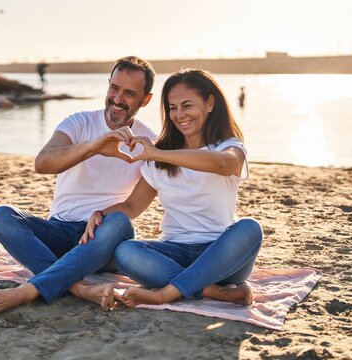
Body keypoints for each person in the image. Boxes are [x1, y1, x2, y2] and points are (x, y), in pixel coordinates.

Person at [0, 56, 157, 315]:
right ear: (108, 84)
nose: (118, 99)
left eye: (130, 93)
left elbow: (133, 205)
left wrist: (99, 216)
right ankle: (79, 288)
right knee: (3, 216)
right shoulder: (79, 122)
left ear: (145, 100)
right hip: (58, 232)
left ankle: (29, 290)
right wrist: (93, 146)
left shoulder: (150, 143)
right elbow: (43, 163)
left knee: (121, 223)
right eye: (115, 88)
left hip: (103, 240)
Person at [81, 69, 263, 308]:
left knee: (249, 228)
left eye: (187, 106)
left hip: (221, 256)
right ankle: (210, 291)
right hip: (173, 252)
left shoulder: (229, 146)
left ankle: (165, 293)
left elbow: (222, 164)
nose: (179, 115)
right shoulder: (159, 157)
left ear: (209, 104)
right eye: (173, 107)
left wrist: (158, 153)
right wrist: (101, 214)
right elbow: (133, 205)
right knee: (125, 251)